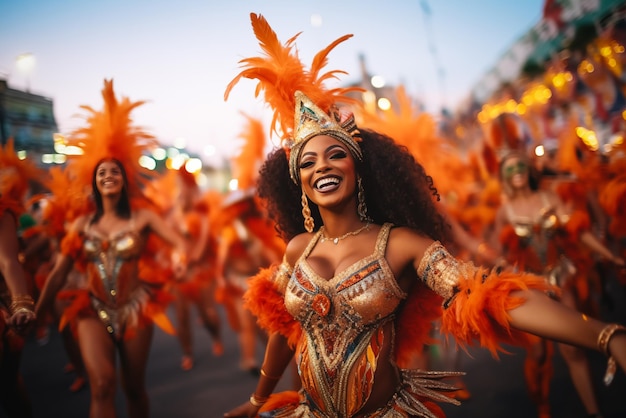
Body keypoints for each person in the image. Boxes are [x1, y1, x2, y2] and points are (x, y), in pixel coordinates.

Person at [222, 13, 626, 418]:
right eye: (307, 162)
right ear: (298, 181)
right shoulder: (297, 249)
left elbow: (487, 293)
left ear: (359, 168)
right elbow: (283, 327)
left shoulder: (399, 244)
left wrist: (605, 335)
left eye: (336, 154)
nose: (322, 167)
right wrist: (257, 401)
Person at [35, 80, 187, 418]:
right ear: (95, 181)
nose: (108, 175)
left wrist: (178, 259)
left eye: (114, 171)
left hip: (136, 309)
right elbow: (59, 273)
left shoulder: (143, 216)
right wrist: (38, 311)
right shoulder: (81, 226)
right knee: (102, 384)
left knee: (133, 388)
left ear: (123, 179)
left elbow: (180, 244)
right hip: (91, 310)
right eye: (102, 172)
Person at [493, 151, 625, 418]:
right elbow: (498, 254)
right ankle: (541, 400)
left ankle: (593, 412)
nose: (516, 170)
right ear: (502, 176)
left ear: (528, 169)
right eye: (509, 168)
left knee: (573, 348)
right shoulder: (504, 213)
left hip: (561, 278)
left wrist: (610, 255)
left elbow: (580, 230)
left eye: (520, 165)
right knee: (539, 354)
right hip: (530, 286)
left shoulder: (548, 198)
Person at [0, 138, 41, 417]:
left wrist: (21, 303)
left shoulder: (5, 211)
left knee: (7, 388)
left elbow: (7, 260)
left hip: (6, 294)